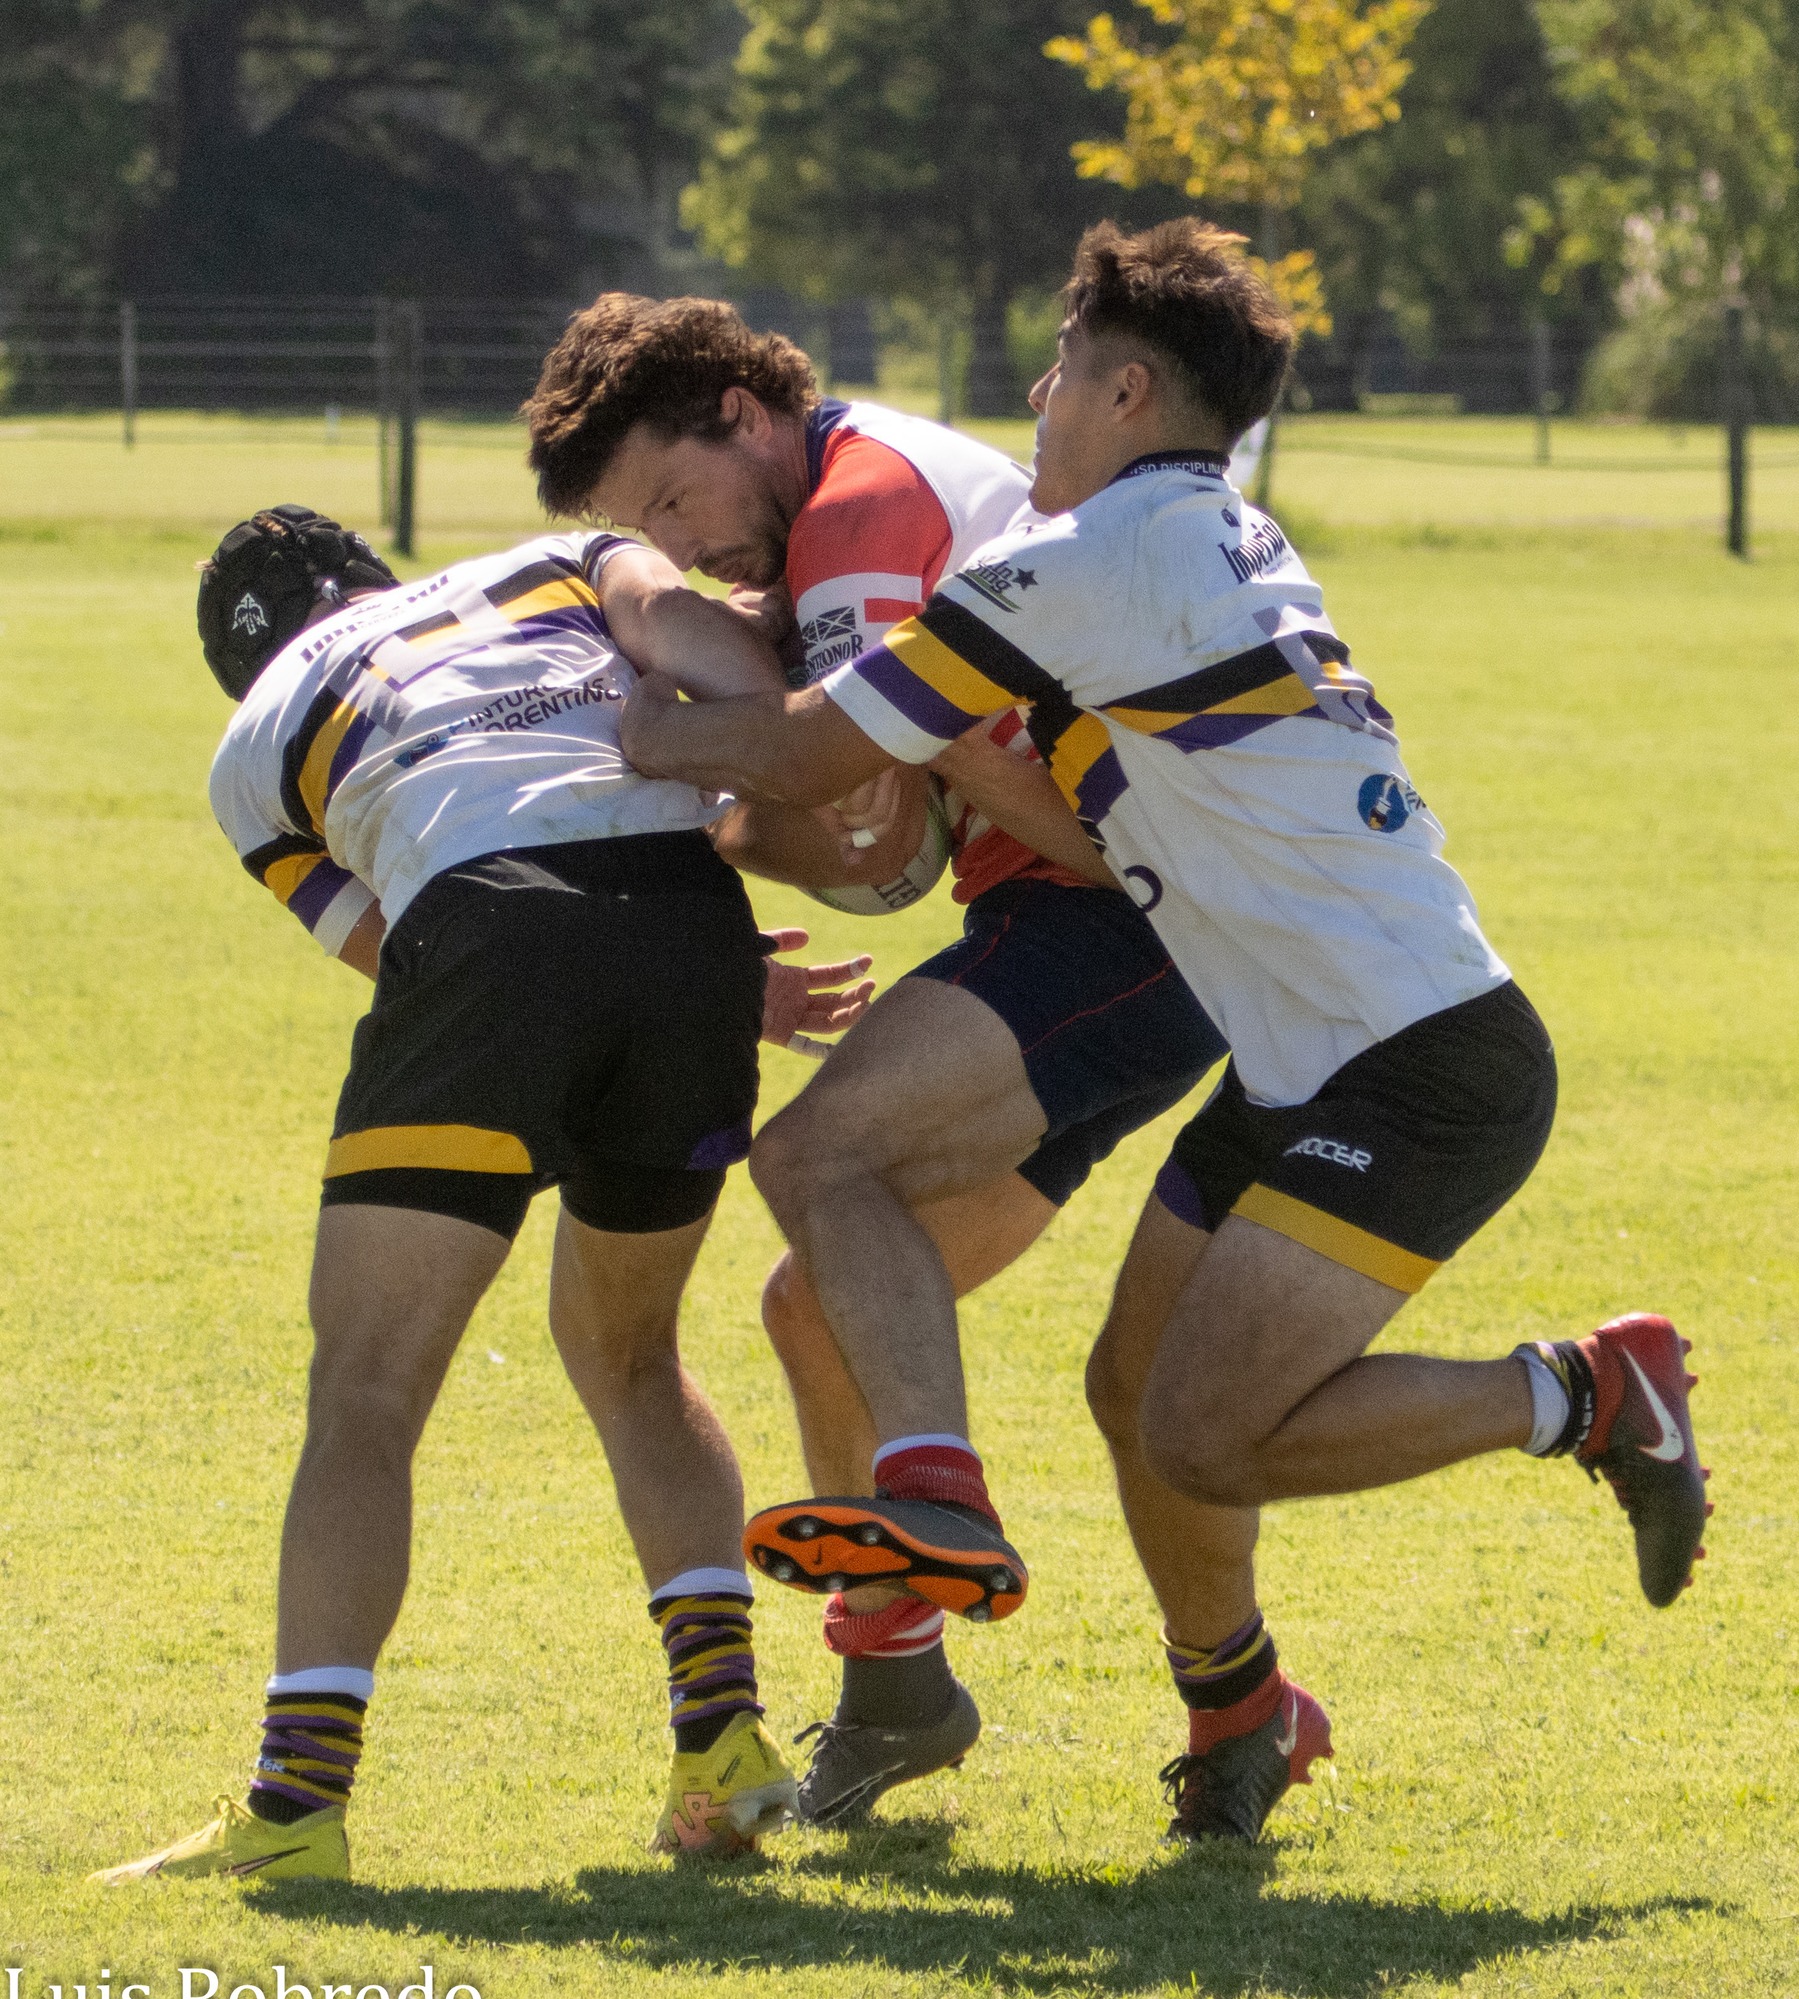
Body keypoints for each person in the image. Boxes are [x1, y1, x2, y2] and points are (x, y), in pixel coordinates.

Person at [613, 221, 1712, 1846]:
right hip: (1305, 1051)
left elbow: (807, 759)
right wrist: (950, 750)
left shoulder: (1086, 566)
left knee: (1201, 1430)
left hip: (1420, 1067)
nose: (1036, 403)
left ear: (1129, 393)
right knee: (1134, 1393)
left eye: (1062, 374)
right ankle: (1241, 1712)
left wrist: (634, 714)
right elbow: (1071, 816)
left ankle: (1588, 1396)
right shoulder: (1211, 534)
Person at [525, 296, 1241, 1826]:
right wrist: (756, 795)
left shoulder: (857, 517)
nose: (684, 543)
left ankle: (935, 1492)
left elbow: (873, 830)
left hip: (1122, 922)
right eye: (646, 529)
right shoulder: (848, 508)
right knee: (819, 1307)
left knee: (812, 1155)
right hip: (1104, 925)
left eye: (675, 499)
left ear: (741, 412)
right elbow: (880, 823)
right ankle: (905, 1691)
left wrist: (667, 769)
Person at [91, 505, 874, 1884]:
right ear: (371, 576)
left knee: (368, 1391)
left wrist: (531, 990)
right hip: (694, 933)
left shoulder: (254, 738)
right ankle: (721, 1745)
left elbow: (384, 942)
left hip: (482, 925)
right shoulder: (551, 558)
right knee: (632, 1354)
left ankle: (296, 1809)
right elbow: (696, 640)